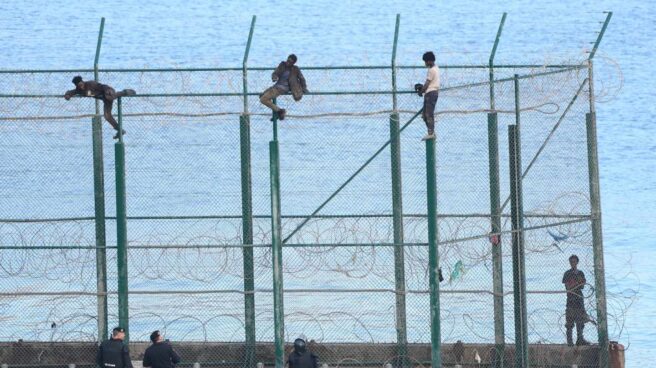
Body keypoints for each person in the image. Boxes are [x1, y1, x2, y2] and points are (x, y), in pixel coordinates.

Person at [64, 76, 135, 139]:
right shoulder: (78, 90)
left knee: (109, 98)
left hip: (108, 92)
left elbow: (103, 86)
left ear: (83, 82)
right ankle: (120, 130)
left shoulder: (91, 84)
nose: (81, 87)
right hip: (104, 99)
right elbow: (71, 92)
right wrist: (67, 95)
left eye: (81, 85)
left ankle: (124, 92)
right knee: (107, 116)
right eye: (79, 86)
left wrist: (107, 90)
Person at [260, 54, 308, 121]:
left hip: (283, 88)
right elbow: (275, 73)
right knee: (261, 96)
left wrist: (304, 88)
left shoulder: (295, 69)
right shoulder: (282, 65)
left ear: (293, 63)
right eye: (288, 60)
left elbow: (302, 79)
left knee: (263, 99)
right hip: (276, 86)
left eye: (290, 62)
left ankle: (280, 111)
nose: (288, 62)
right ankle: (278, 112)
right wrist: (274, 77)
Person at [562, 254, 590, 346]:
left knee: (580, 322)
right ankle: (570, 342)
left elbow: (582, 285)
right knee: (569, 322)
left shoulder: (580, 273)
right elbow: (568, 287)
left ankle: (580, 339)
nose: (572, 263)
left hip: (579, 300)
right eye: (571, 262)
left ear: (577, 262)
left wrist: (576, 284)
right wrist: (577, 283)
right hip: (570, 300)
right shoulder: (567, 274)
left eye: (574, 261)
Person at [415, 51, 440, 141]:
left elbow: (427, 83)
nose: (425, 64)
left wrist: (421, 91)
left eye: (425, 61)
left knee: (428, 114)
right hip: (433, 92)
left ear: (429, 61)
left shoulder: (431, 70)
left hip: (431, 93)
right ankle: (431, 132)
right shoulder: (436, 68)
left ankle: (431, 133)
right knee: (425, 115)